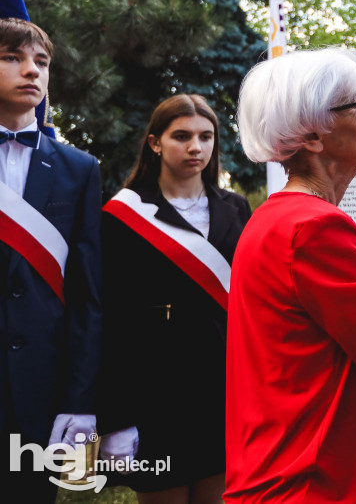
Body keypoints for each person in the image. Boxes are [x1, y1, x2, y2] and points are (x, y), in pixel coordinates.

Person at [226, 49, 356, 503]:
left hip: (277, 472)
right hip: (311, 483)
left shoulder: (271, 219)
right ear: (314, 135)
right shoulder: (315, 227)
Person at [98, 94, 251, 502]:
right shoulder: (122, 216)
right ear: (155, 143)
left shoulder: (237, 209)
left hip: (223, 390)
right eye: (181, 136)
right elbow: (110, 323)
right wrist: (116, 419)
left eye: (206, 136)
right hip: (154, 394)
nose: (196, 147)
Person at [0, 18, 101, 500]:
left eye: (41, 62)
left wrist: (80, 401)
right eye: (12, 58)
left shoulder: (79, 169)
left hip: (42, 392)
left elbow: (87, 295)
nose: (31, 71)